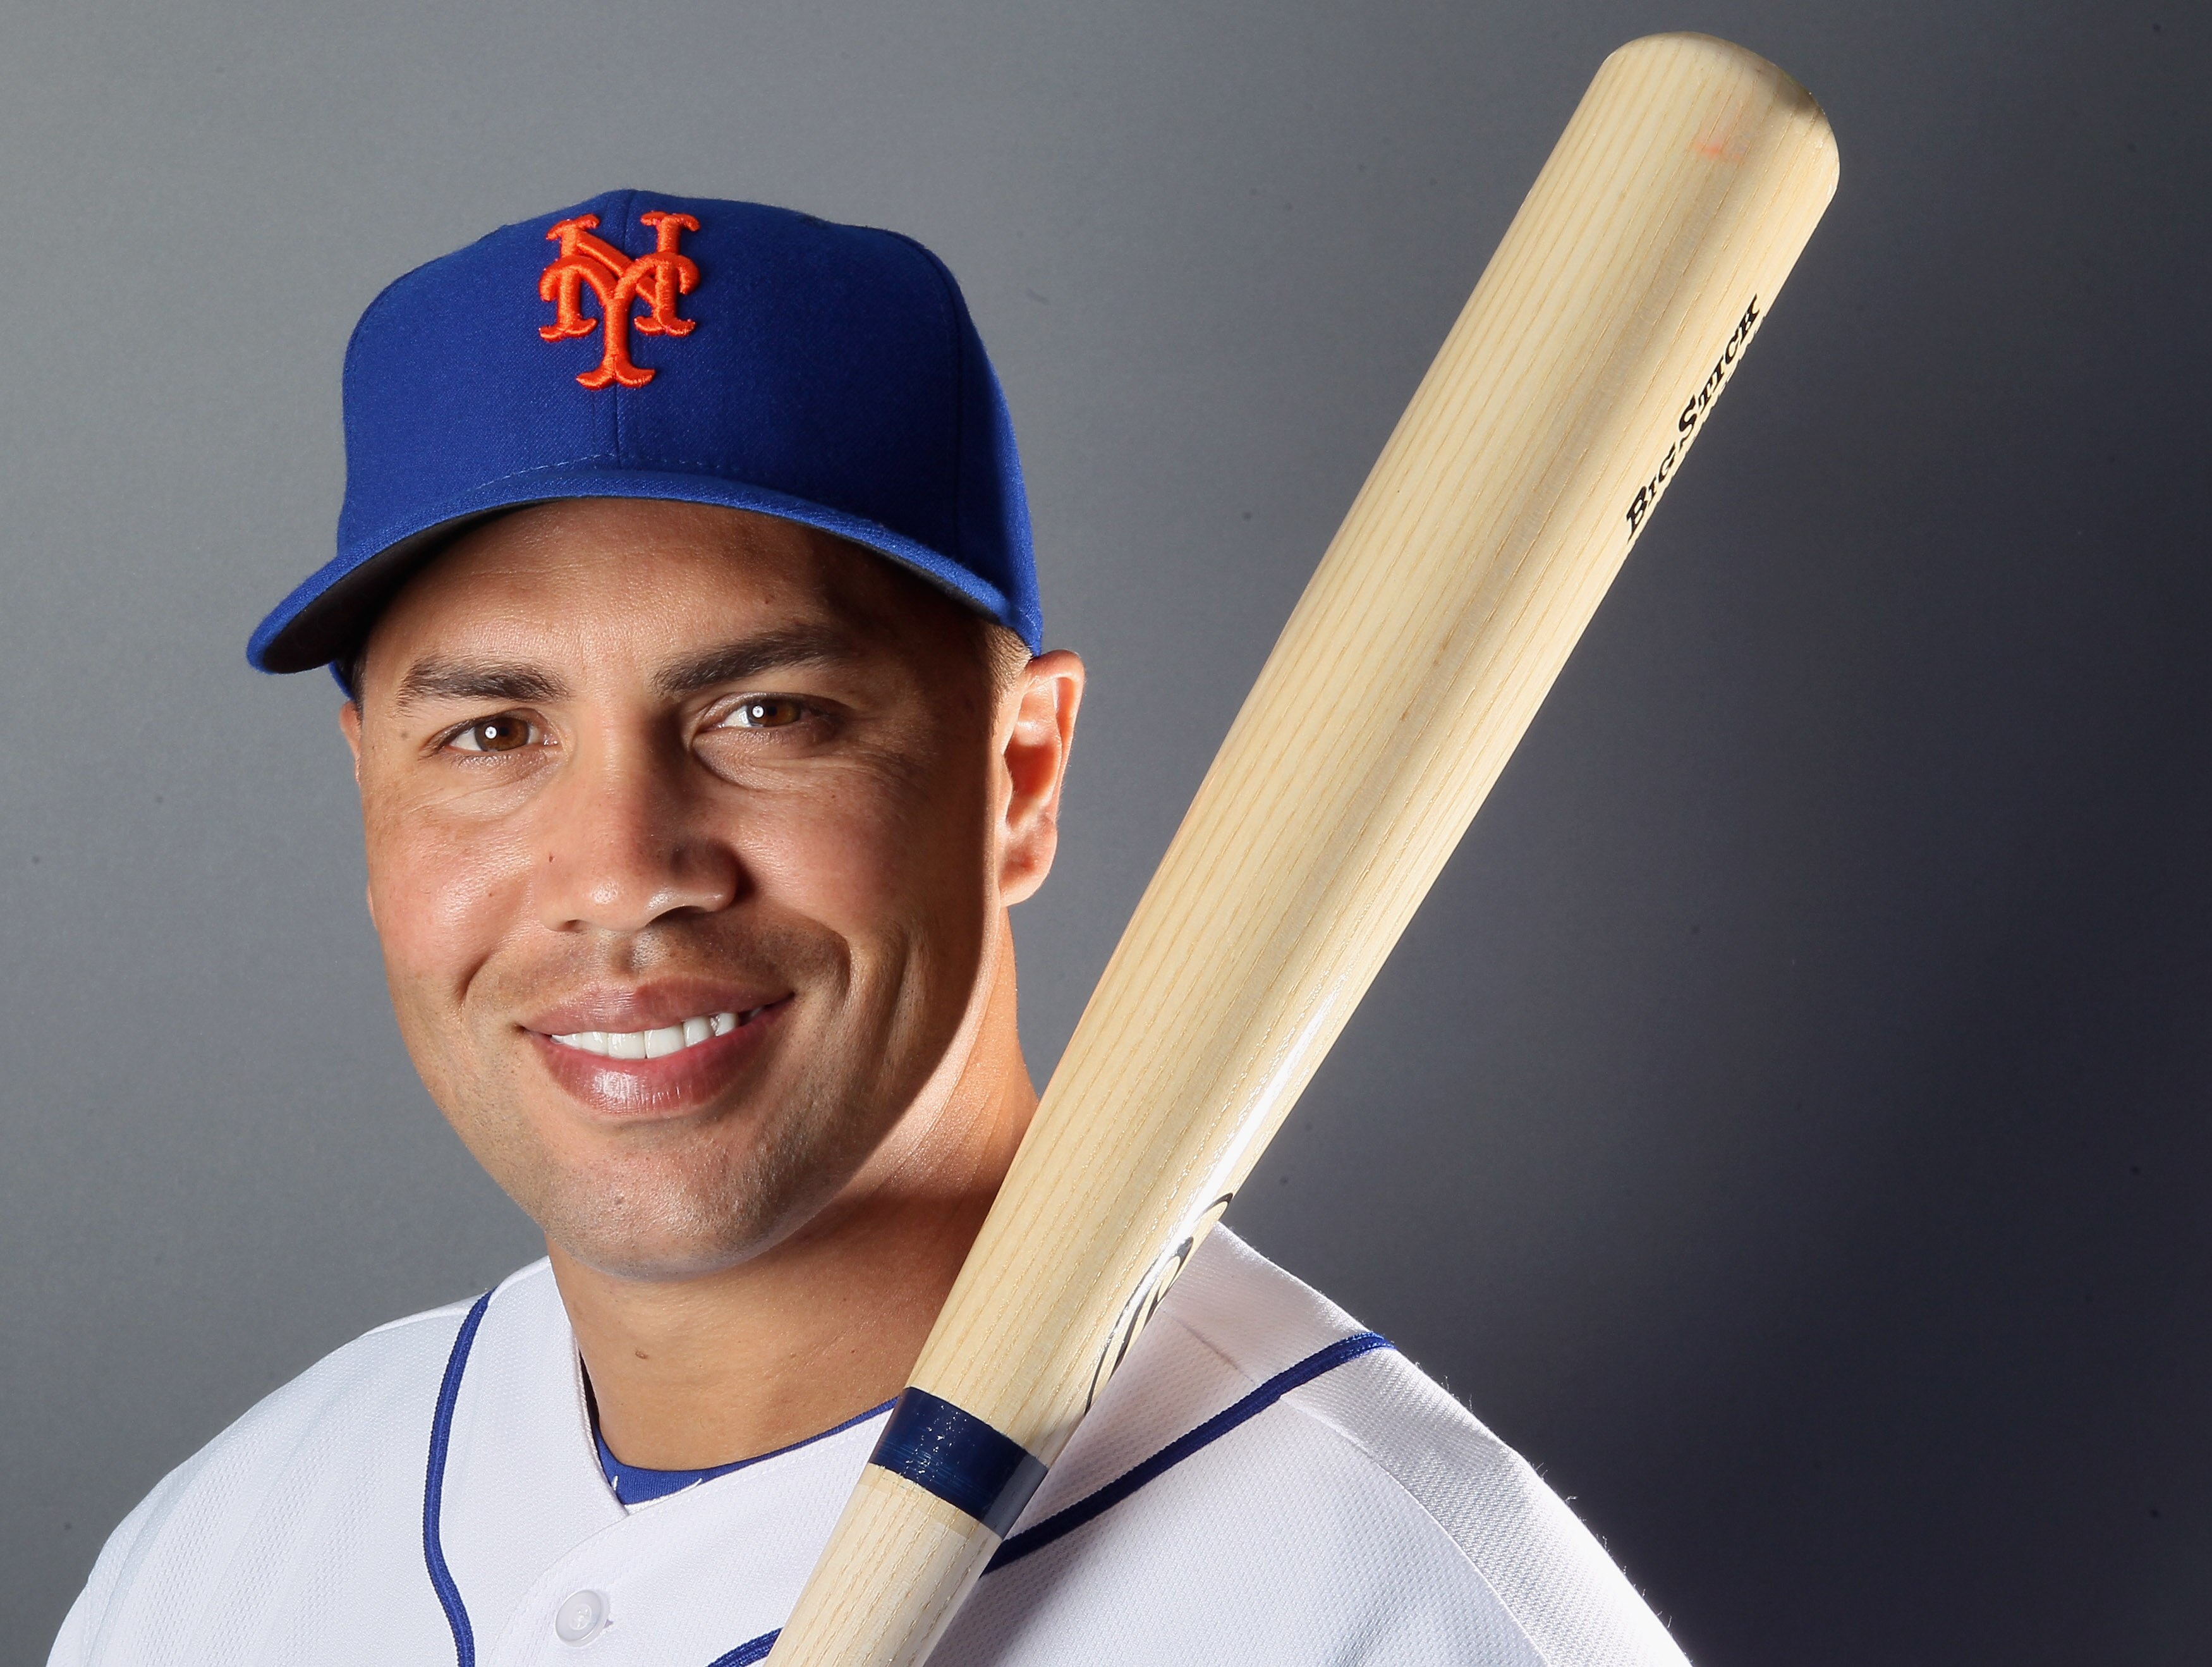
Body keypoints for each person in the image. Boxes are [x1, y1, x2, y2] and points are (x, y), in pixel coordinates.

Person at [49, 191, 1689, 1667]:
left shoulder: (1395, 1612)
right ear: (370, 795)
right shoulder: (221, 1560)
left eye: (765, 713)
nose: (622, 872)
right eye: (491, 735)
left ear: (1019, 775)